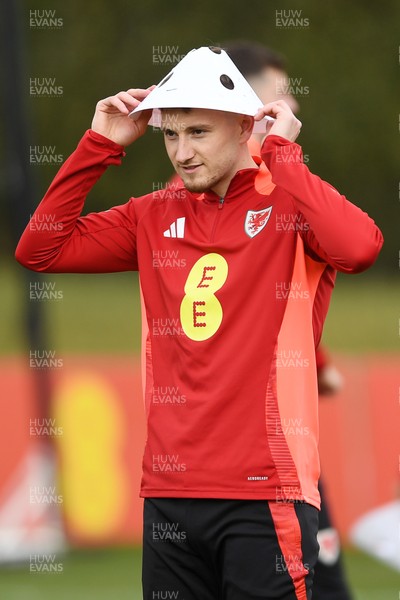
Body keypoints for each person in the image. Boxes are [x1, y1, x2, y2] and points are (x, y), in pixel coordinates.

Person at [15, 46, 383, 599]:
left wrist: (282, 152)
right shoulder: (151, 213)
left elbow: (359, 247)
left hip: (266, 492)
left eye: (199, 133)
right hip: (169, 493)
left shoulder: (291, 202)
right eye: (171, 134)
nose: (181, 152)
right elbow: (39, 248)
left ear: (243, 128)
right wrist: (98, 145)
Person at [224, 41, 353, 599]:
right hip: (266, 447)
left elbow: (284, 304)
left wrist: (316, 362)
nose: (293, 100)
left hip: (261, 439)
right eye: (280, 92)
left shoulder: (283, 186)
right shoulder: (269, 195)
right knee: (320, 586)